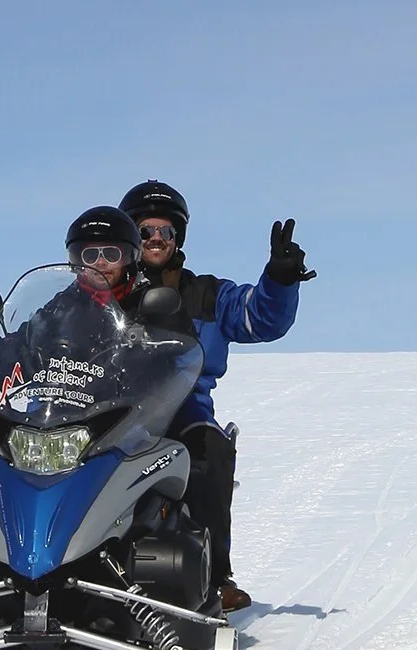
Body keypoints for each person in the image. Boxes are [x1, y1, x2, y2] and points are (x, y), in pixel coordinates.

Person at [118, 179, 310, 612]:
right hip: (108, 407)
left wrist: (278, 282)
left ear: (177, 238)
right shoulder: (108, 290)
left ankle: (214, 575)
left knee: (208, 451)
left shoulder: (205, 293)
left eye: (164, 231)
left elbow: (256, 317)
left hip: (179, 409)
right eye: (145, 230)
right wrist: (8, 345)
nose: (154, 239)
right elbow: (56, 327)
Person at [0, 205, 196, 396]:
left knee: (190, 443)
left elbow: (179, 354)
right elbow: (28, 339)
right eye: (89, 255)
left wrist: (144, 354)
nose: (99, 263)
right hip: (65, 417)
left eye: (111, 254)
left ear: (129, 258)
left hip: (134, 420)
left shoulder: (150, 302)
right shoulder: (63, 307)